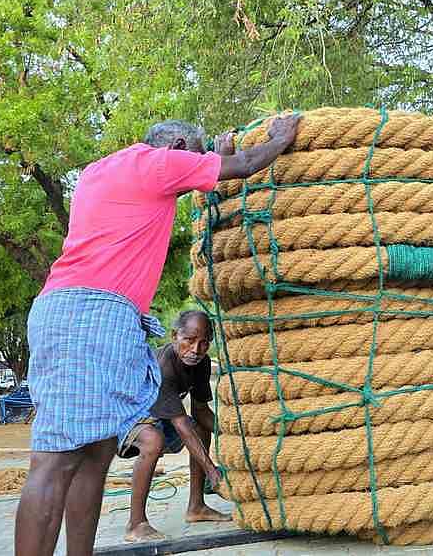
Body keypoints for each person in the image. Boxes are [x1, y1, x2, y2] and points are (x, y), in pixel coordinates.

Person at [16, 114, 302, 556]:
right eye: (198, 154)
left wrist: (214, 163)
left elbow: (204, 185)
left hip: (71, 310)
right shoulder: (159, 162)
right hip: (92, 315)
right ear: (182, 144)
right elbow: (246, 165)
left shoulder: (102, 170)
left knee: (95, 452)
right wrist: (281, 139)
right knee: (56, 458)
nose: (199, 165)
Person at [118, 310, 227, 541]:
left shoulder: (201, 363)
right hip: (122, 416)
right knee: (152, 441)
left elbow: (201, 412)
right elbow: (181, 425)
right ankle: (135, 524)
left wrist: (237, 435)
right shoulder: (163, 366)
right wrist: (212, 472)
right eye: (189, 340)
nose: (196, 350)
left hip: (157, 416)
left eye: (204, 343)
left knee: (200, 426)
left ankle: (196, 507)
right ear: (174, 335)